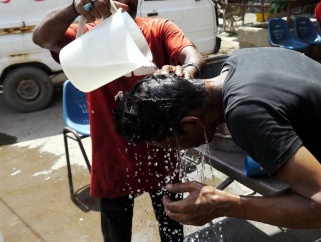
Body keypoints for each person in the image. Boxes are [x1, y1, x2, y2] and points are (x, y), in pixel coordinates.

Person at [114, 47, 321, 242]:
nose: (178, 151)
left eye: (173, 145)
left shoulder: (245, 113)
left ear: (191, 124)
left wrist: (224, 204)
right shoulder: (240, 60)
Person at [32, 0, 206, 241]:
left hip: (161, 153)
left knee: (173, 230)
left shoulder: (158, 28)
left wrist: (187, 69)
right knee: (116, 235)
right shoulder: (87, 37)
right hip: (112, 158)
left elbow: (192, 54)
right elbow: (43, 38)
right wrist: (75, 7)